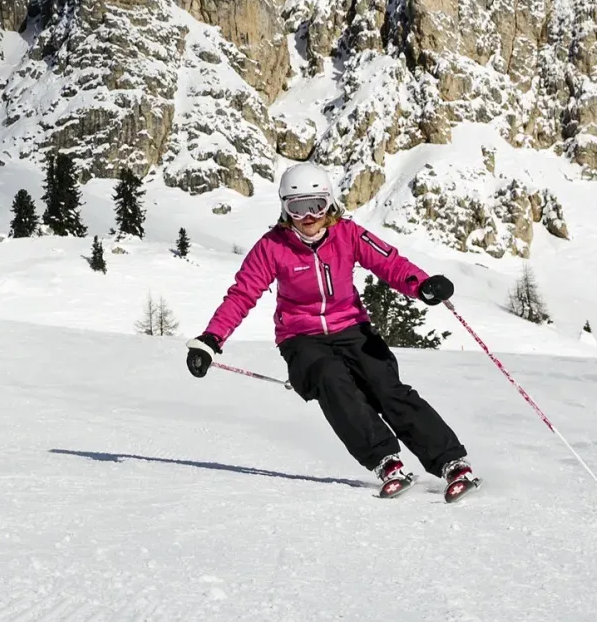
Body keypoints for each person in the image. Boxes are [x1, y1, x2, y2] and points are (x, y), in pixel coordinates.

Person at [185, 164, 479, 501]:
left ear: (330, 203)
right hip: (300, 338)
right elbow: (242, 294)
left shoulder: (348, 234)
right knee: (330, 377)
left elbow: (390, 263)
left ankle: (450, 462)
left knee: (385, 386)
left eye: (317, 204)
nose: (308, 216)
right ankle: (384, 460)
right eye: (297, 207)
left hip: (352, 328)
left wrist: (422, 286)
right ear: (284, 208)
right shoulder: (272, 247)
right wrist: (211, 339)